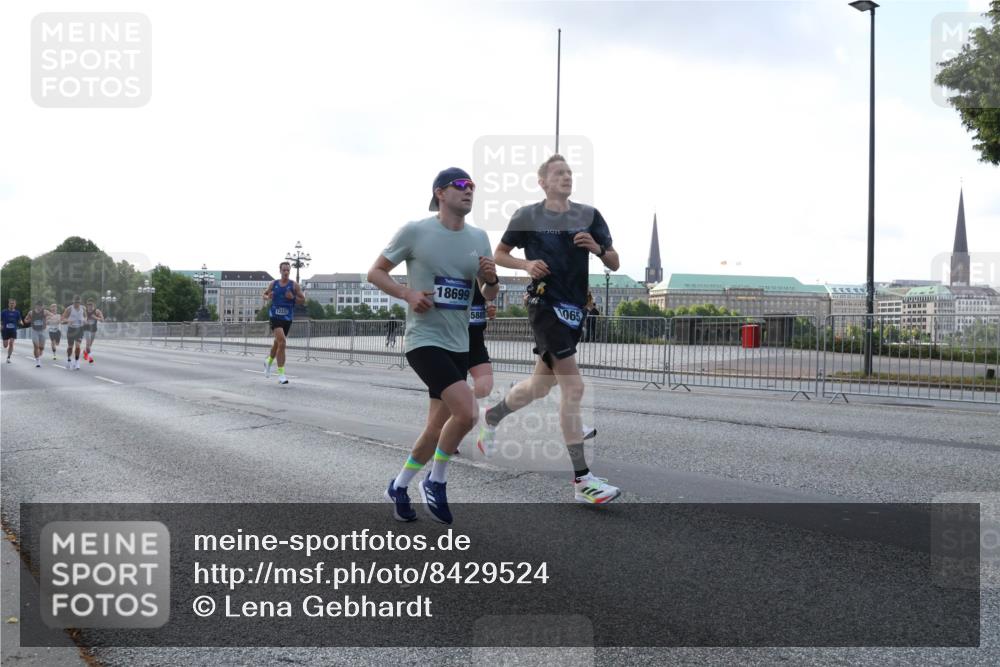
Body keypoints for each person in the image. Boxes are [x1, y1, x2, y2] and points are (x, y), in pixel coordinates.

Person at [479, 154, 621, 504]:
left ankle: (493, 415)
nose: (566, 177)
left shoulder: (589, 215)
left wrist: (598, 249)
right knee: (574, 387)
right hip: (543, 305)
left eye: (570, 172)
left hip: (575, 310)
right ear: (542, 181)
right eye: (559, 173)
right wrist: (526, 264)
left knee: (540, 388)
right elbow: (499, 254)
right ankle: (582, 480)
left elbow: (615, 261)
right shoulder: (528, 215)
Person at [369, 167, 497, 524]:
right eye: (461, 185)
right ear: (440, 193)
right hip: (424, 340)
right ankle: (436, 481)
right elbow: (375, 272)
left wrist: (491, 281)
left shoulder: (479, 237)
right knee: (469, 412)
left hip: (459, 342)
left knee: (434, 430)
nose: (469, 190)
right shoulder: (416, 230)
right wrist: (407, 293)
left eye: (473, 186)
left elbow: (485, 293)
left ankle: (398, 485)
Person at [262, 261, 305, 384]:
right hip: (275, 316)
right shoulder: (273, 284)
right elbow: (264, 295)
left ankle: (269, 361)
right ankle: (281, 375)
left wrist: (293, 298)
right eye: (284, 270)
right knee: (283, 342)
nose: (286, 272)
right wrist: (268, 297)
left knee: (278, 344)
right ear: (280, 271)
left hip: (287, 318)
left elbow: (302, 300)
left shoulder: (294, 285)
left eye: (288, 270)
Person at [62, 295, 86, 370]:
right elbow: (63, 318)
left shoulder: (83, 308)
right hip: (71, 329)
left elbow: (86, 316)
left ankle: (77, 361)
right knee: (70, 347)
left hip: (80, 329)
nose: (77, 304)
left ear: (80, 302)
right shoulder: (69, 309)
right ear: (73, 302)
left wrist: (84, 320)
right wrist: (68, 321)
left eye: (78, 302)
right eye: (75, 302)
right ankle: (69, 360)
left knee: (78, 346)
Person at [26, 300, 49, 367]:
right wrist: (28, 320)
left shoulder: (45, 312)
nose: (40, 307)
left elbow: (52, 316)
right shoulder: (31, 313)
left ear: (43, 306)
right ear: (36, 306)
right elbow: (25, 320)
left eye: (41, 306)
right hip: (34, 331)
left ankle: (39, 354)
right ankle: (37, 361)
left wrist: (49, 319)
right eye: (38, 306)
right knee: (36, 346)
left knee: (41, 348)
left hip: (43, 330)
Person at [81, 299, 105, 364]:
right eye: (88, 305)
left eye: (91, 305)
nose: (90, 307)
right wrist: (84, 321)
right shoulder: (84, 311)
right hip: (86, 329)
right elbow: (81, 319)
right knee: (88, 343)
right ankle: (90, 358)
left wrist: (95, 317)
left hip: (93, 329)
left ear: (93, 305)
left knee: (89, 345)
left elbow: (102, 320)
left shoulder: (97, 311)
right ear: (87, 305)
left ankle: (85, 352)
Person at [1, 298, 23, 363]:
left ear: (15, 304)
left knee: (11, 343)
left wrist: (21, 322)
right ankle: (5, 344)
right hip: (5, 330)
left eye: (13, 303)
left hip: (13, 330)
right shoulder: (4, 312)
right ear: (8, 304)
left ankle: (8, 357)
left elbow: (19, 319)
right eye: (10, 303)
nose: (12, 305)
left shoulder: (17, 312)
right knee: (5, 345)